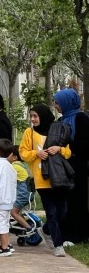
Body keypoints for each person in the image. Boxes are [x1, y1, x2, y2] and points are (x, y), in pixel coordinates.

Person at [18, 103, 72, 257]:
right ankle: (58, 244)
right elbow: (23, 153)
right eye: (31, 116)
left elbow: (68, 152)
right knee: (52, 212)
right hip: (42, 179)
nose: (33, 119)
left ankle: (46, 230)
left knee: (62, 211)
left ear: (44, 116)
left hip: (58, 177)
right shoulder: (29, 132)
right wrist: (36, 153)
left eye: (35, 116)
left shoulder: (57, 130)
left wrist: (59, 149)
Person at [54, 88, 89, 244]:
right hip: (63, 168)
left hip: (78, 167)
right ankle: (66, 233)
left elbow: (86, 144)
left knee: (77, 201)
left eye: (58, 102)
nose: (56, 105)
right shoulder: (61, 120)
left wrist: (67, 147)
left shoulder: (82, 119)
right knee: (65, 201)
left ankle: (78, 235)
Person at [7, 145, 33, 232]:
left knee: (13, 212)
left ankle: (29, 229)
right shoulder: (23, 165)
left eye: (8, 154)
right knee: (18, 211)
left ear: (14, 157)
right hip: (29, 194)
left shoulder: (13, 167)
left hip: (23, 194)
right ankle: (21, 224)